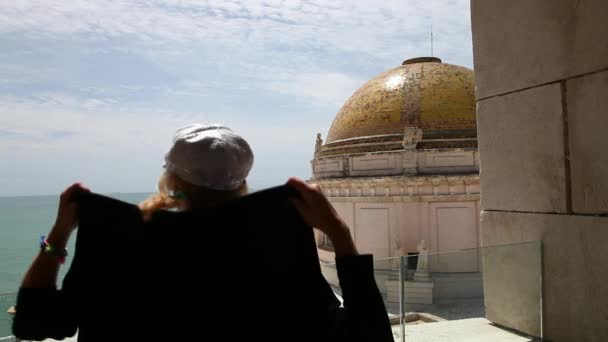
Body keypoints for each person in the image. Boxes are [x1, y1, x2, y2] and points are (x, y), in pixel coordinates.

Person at [12, 123, 392, 341]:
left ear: (170, 176)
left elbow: (34, 323)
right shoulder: (271, 248)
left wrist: (60, 233)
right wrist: (338, 232)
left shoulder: (119, 242)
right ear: (242, 180)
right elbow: (366, 335)